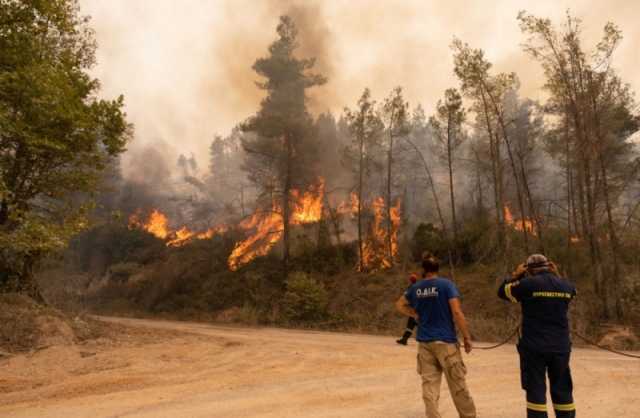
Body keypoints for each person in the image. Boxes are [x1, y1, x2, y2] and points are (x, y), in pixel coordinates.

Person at [396, 255, 477, 418]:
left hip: (425, 344)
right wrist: (467, 337)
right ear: (437, 269)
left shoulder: (416, 288)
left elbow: (399, 304)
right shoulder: (446, 285)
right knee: (458, 385)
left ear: (423, 270)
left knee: (429, 385)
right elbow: (456, 312)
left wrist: (413, 313)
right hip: (446, 343)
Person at [498, 254, 577, 418]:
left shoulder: (527, 284)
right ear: (549, 266)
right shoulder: (565, 285)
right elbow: (572, 292)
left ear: (529, 269)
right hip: (560, 347)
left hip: (535, 347)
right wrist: (557, 276)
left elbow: (503, 292)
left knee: (536, 389)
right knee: (562, 388)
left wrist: (516, 275)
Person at [396, 273, 419, 345]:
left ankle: (404, 339)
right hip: (417, 309)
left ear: (410, 280)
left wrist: (404, 304)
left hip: (414, 310)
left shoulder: (411, 287)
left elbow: (406, 297)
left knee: (415, 325)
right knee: (410, 325)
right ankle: (404, 339)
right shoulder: (419, 287)